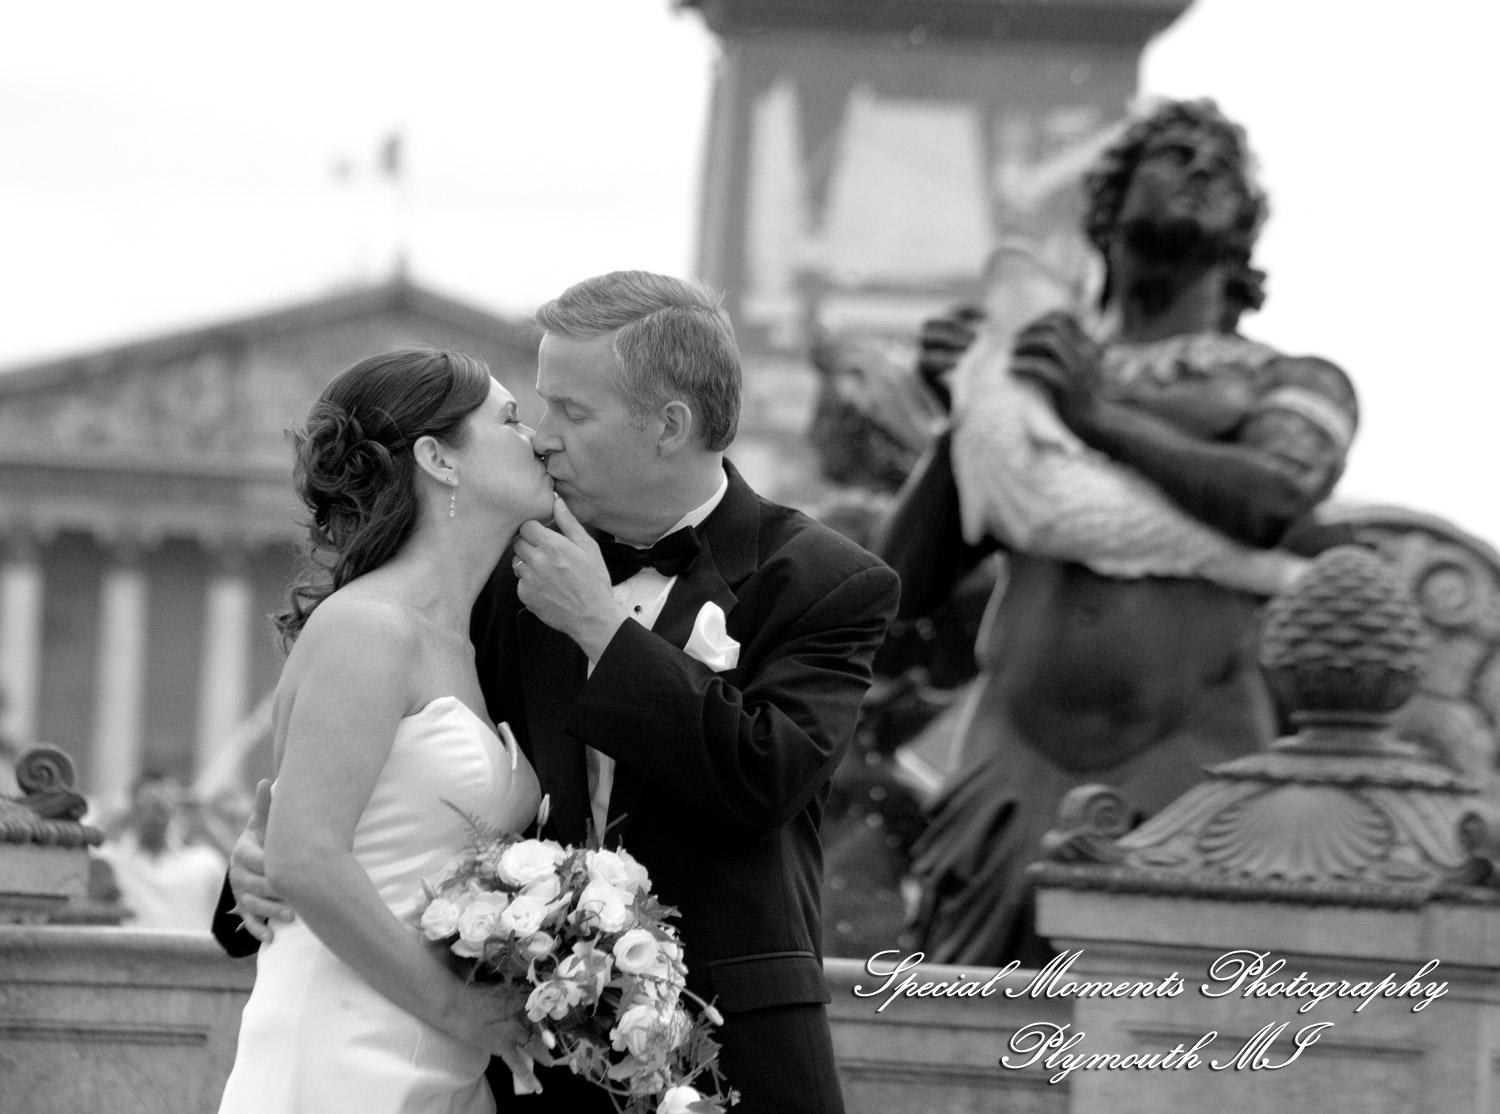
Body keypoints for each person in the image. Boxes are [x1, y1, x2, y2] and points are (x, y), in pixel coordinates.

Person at [218, 272, 901, 1114]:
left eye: (571, 413)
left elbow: (765, 782)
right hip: (526, 1062)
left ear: (669, 426)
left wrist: (603, 632)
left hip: (738, 1052)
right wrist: (251, 875)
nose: (542, 439)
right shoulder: (496, 570)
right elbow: (365, 766)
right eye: (535, 410)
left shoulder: (828, 582)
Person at [879, 99, 1358, 967]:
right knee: (966, 1070)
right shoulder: (1024, 377)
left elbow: (1275, 498)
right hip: (1008, 771)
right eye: (1171, 153)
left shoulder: (1290, 381)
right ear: (1106, 208)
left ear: (1246, 228)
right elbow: (890, 594)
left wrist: (1094, 414)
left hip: (1198, 766)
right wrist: (971, 412)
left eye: (1224, 167)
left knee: (1180, 1069)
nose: (1200, 166)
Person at [215, 348, 551, 1113]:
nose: (535, 436)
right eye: (509, 418)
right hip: (342, 1047)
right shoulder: (368, 627)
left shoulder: (470, 637)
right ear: (438, 458)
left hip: (443, 1057)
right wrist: (460, 1010)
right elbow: (304, 859)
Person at [95, 773, 228, 930]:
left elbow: (240, 884)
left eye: (165, 800)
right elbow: (87, 852)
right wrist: (123, 813)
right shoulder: (114, 861)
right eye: (147, 802)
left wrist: (205, 822)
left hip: (192, 953)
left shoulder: (204, 863)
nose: (156, 809)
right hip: (133, 952)